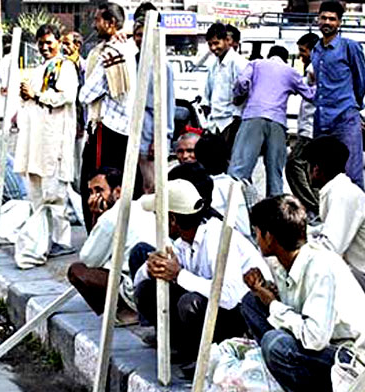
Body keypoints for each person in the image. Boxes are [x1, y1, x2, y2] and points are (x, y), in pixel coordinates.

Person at [240, 195, 365, 392]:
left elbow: (315, 338)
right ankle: (282, 375)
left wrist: (273, 304)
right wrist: (264, 290)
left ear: (269, 237)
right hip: (317, 342)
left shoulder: (321, 267)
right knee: (251, 302)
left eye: (257, 233)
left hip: (348, 359)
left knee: (276, 345)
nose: (256, 239)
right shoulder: (284, 260)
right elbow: (297, 306)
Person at [131, 178, 272, 364]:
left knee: (189, 304)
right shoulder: (181, 242)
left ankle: (202, 356)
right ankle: (180, 346)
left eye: (159, 216)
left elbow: (229, 296)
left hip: (244, 315)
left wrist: (179, 275)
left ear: (172, 219)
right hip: (220, 309)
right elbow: (139, 283)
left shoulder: (215, 236)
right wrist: (151, 270)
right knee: (147, 290)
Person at [303, 136, 365, 318]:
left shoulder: (343, 194)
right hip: (364, 279)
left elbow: (329, 249)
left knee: (317, 265)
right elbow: (323, 231)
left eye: (309, 166)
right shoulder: (337, 190)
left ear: (316, 170)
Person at [13, 23, 79, 266]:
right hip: (36, 138)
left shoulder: (66, 67)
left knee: (55, 192)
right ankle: (42, 239)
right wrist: (27, 95)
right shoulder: (39, 68)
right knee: (37, 191)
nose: (45, 47)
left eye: (49, 42)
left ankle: (61, 240)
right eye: (41, 43)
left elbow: (66, 96)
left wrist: (37, 95)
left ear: (59, 42)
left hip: (54, 138)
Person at [67, 167, 154, 324]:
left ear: (118, 192)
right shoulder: (140, 206)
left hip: (134, 286)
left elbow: (89, 259)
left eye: (99, 190)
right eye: (91, 192)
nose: (94, 197)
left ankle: (125, 310)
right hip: (147, 282)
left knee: (76, 270)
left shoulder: (110, 217)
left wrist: (96, 215)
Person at [78, 2, 138, 232]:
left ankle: (97, 234)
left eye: (98, 21)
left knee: (96, 185)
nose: (95, 25)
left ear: (111, 24)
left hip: (107, 128)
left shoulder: (112, 53)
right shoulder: (129, 48)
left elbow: (86, 94)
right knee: (118, 184)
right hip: (124, 130)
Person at [229, 45, 315, 198]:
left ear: (269, 55)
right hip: (277, 122)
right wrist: (315, 83)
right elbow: (310, 95)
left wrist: (239, 96)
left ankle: (234, 208)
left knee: (239, 169)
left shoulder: (256, 64)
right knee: (275, 172)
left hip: (253, 117)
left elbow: (242, 82)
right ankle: (275, 211)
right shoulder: (291, 72)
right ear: (285, 58)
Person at [312, 1, 365, 190]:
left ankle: (359, 218)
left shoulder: (349, 47)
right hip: (321, 120)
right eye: (324, 18)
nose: (327, 22)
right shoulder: (316, 50)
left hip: (345, 119)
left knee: (352, 175)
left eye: (332, 19)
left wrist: (354, 107)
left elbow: (362, 80)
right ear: (317, 20)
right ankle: (328, 216)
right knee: (322, 174)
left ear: (339, 23)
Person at [132, 5, 175, 194]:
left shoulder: (161, 66)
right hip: (132, 134)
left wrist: (159, 140)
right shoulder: (130, 61)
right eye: (138, 35)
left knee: (151, 188)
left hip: (150, 136)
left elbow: (167, 106)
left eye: (144, 34)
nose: (140, 39)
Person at [201, 23, 248, 172]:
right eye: (210, 44)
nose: (214, 48)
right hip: (215, 122)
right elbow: (208, 94)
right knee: (216, 166)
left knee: (233, 166)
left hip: (231, 122)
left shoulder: (239, 63)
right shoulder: (213, 64)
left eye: (216, 43)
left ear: (227, 41)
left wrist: (236, 120)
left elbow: (245, 93)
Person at [285, 32, 321, 217]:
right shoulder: (316, 67)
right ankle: (315, 207)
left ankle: (313, 204)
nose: (301, 55)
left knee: (293, 165)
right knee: (309, 170)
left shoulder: (313, 68)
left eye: (303, 51)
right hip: (309, 126)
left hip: (310, 128)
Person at [62, 30, 87, 192]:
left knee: (77, 162)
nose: (64, 47)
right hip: (67, 120)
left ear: (77, 46)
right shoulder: (65, 64)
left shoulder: (81, 66)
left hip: (79, 122)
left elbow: (81, 98)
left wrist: (80, 122)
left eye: (67, 43)